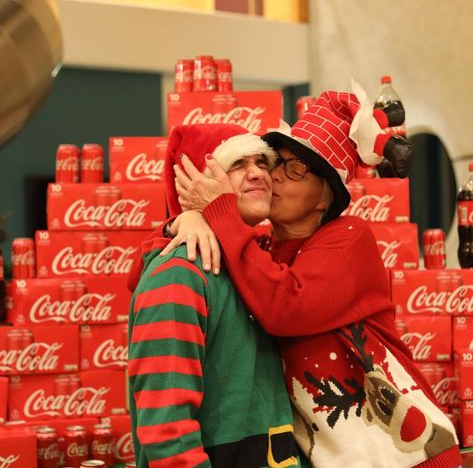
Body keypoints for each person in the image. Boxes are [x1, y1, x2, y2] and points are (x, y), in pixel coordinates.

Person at [164, 81, 462, 467]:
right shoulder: (261, 251)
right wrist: (184, 221)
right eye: (277, 163)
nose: (276, 177)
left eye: (297, 169)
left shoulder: (349, 238)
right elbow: (142, 271)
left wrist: (220, 212)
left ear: (325, 196)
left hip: (408, 457)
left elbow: (286, 308)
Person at [127, 123, 304, 468]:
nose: (258, 174)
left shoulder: (255, 266)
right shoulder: (179, 274)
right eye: (237, 164)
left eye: (262, 162)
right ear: (194, 181)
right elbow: (167, 430)